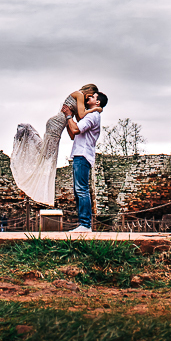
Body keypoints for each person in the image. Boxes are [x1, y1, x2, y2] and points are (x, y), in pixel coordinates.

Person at [10, 85, 102, 206]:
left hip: (57, 126)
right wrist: (95, 109)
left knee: (46, 155)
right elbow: (81, 115)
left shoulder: (80, 100)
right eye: (91, 95)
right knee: (47, 156)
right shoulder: (79, 94)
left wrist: (73, 115)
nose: (89, 97)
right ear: (89, 90)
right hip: (55, 125)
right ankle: (27, 130)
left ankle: (28, 132)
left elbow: (78, 123)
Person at [66, 88, 107, 233]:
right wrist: (69, 118)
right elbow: (73, 134)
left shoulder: (92, 116)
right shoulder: (90, 116)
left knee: (81, 190)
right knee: (78, 190)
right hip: (80, 154)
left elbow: (76, 130)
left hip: (82, 155)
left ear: (98, 102)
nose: (89, 97)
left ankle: (85, 224)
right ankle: (83, 224)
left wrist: (69, 116)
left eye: (93, 96)